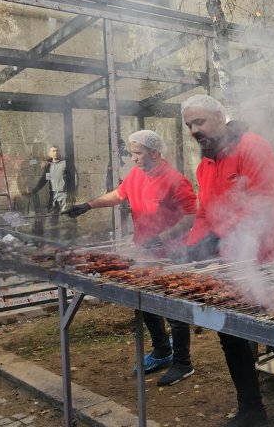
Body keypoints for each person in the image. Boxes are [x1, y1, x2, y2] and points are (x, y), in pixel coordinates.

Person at [180, 95, 274, 427]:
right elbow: (204, 213)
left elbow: (263, 204)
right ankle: (251, 408)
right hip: (233, 263)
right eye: (188, 125)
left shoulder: (251, 147)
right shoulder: (204, 163)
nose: (194, 130)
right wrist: (191, 246)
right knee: (230, 333)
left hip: (272, 260)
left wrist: (221, 236)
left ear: (218, 116)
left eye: (199, 121)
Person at [65, 130, 198, 387]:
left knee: (174, 308)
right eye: (133, 152)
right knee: (143, 301)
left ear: (155, 153)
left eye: (138, 153)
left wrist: (162, 237)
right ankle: (162, 349)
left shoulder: (176, 181)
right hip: (144, 251)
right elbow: (118, 195)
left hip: (172, 254)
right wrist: (88, 205)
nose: (133, 158)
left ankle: (183, 363)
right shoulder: (137, 174)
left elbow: (191, 217)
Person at [30, 145, 76, 226]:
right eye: (53, 151)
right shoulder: (48, 165)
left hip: (63, 194)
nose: (56, 152)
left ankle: (69, 234)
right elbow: (46, 179)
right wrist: (36, 189)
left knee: (66, 216)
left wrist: (72, 193)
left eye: (57, 151)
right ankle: (54, 233)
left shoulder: (65, 163)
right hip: (52, 194)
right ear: (49, 153)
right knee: (52, 216)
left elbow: (72, 179)